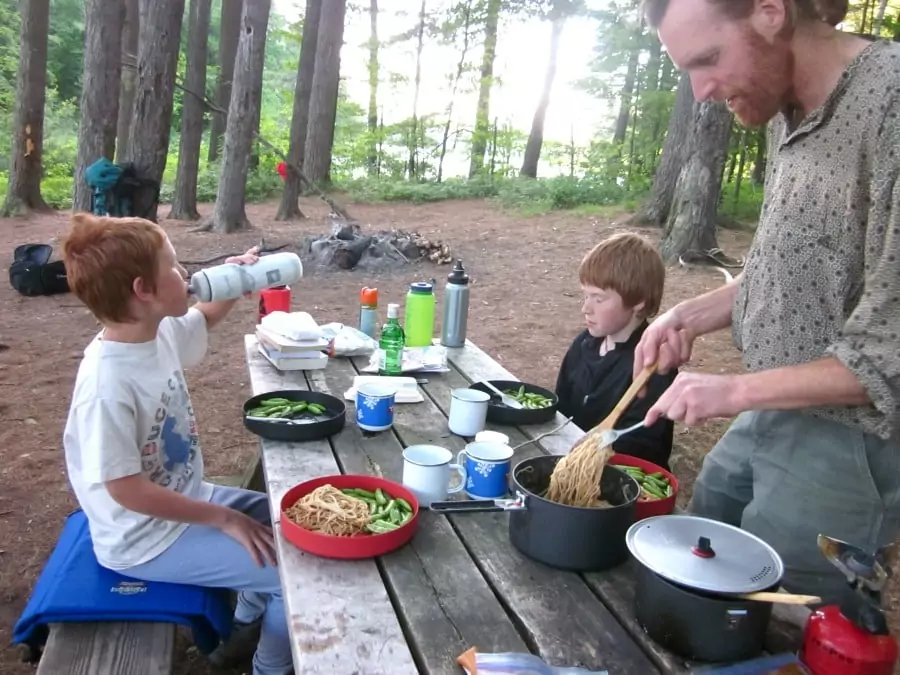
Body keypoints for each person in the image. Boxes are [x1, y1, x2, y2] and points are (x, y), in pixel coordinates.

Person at [635, 0, 900, 603]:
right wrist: (690, 315)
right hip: (768, 406)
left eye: (708, 59)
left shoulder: (890, 103)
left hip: (849, 444)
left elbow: (892, 353)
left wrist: (730, 392)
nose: (701, 92)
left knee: (782, 623)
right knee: (706, 589)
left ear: (770, 12)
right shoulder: (786, 108)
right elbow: (789, 268)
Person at [61, 214, 292, 675]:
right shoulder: (106, 384)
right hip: (144, 539)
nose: (185, 273)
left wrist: (235, 278)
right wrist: (223, 519)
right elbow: (126, 489)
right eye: (173, 264)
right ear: (143, 289)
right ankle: (268, 666)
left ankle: (244, 622)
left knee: (287, 518)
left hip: (187, 501)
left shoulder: (152, 331)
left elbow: (202, 318)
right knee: (298, 576)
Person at [555, 232, 677, 469]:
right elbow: (561, 409)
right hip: (567, 462)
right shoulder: (583, 345)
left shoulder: (653, 364)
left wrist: (601, 448)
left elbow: (645, 446)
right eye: (585, 295)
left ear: (638, 301)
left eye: (598, 299)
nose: (585, 308)